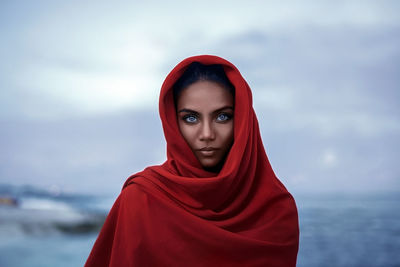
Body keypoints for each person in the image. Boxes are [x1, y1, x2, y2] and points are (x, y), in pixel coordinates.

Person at [85, 55, 299, 267]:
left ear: (243, 121)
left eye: (222, 117)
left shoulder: (277, 211)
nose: (207, 134)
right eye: (191, 118)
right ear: (172, 122)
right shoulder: (140, 199)